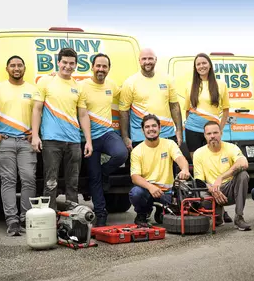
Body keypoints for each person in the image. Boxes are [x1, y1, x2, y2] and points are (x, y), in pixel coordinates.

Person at [31, 48, 93, 211]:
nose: (68, 66)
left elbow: (83, 114)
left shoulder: (78, 86)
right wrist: (35, 136)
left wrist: (88, 141)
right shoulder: (45, 81)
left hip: (73, 142)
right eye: (64, 62)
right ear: (58, 63)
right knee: (50, 183)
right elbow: (37, 109)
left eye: (71, 63)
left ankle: (73, 219)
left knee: (73, 183)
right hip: (51, 141)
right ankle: (51, 218)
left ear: (76, 65)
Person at [0, 55, 37, 236]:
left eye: (19, 65)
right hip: (4, 142)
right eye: (12, 65)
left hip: (25, 142)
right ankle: (12, 221)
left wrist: (35, 135)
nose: (16, 68)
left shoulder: (32, 89)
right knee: (9, 181)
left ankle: (25, 218)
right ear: (7, 69)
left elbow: (38, 114)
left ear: (24, 68)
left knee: (29, 179)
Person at [78, 53, 128, 227]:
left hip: (107, 133)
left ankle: (104, 173)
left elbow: (126, 95)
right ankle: (101, 213)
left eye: (104, 66)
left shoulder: (112, 85)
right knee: (94, 178)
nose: (101, 69)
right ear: (92, 67)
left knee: (121, 154)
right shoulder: (81, 86)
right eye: (98, 66)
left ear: (108, 69)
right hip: (88, 137)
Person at [184, 53, 231, 223]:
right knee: (199, 169)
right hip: (192, 130)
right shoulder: (190, 85)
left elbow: (225, 110)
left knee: (215, 168)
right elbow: (187, 110)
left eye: (204, 63)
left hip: (211, 130)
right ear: (195, 67)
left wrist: (220, 128)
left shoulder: (221, 84)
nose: (201, 66)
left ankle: (221, 208)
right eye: (198, 64)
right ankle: (205, 207)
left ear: (209, 65)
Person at [129, 114, 190, 226]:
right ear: (142, 130)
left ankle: (162, 210)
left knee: (185, 207)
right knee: (136, 193)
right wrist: (150, 187)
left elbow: (180, 159)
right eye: (147, 127)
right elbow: (135, 177)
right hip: (148, 190)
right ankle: (142, 214)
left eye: (154, 126)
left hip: (167, 192)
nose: (151, 129)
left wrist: (185, 169)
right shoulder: (137, 151)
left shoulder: (169, 144)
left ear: (159, 128)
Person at [119, 48, 183, 151]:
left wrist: (179, 131)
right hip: (140, 136)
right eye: (144, 59)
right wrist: (125, 137)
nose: (147, 62)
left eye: (150, 58)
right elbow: (123, 112)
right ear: (139, 60)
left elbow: (174, 106)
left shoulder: (167, 79)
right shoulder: (130, 82)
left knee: (169, 166)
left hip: (166, 133)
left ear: (156, 60)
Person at [193, 121, 251, 231]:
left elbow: (244, 163)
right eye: (209, 134)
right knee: (199, 198)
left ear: (221, 133)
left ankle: (239, 217)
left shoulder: (231, 147)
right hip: (211, 190)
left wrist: (221, 177)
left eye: (215, 132)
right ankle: (218, 215)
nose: (213, 136)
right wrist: (213, 190)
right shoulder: (198, 153)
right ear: (205, 136)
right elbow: (199, 180)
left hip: (230, 188)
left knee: (243, 175)